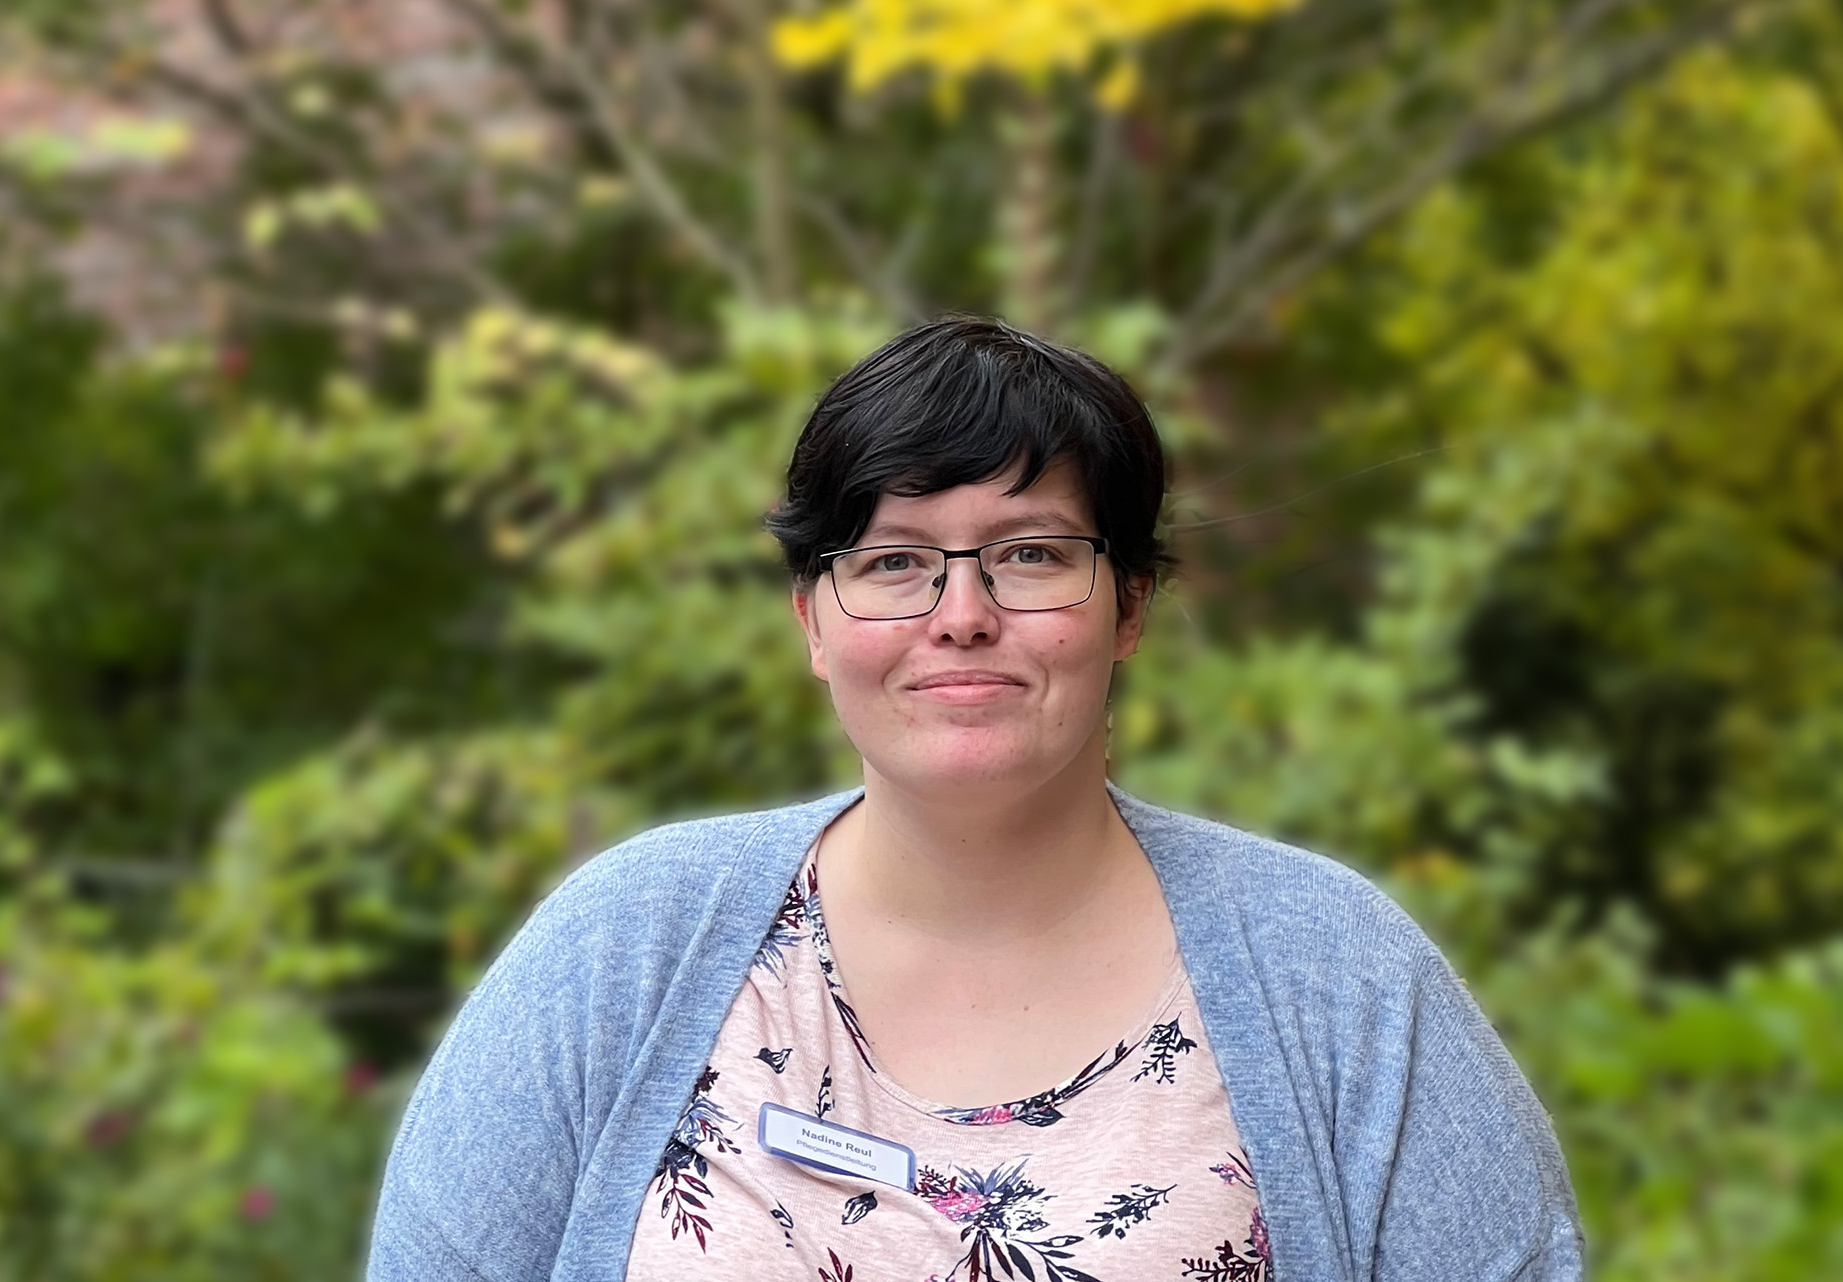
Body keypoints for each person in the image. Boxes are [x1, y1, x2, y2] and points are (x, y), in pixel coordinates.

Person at [367, 317, 1582, 1282]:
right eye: (894, 560)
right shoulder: (625, 948)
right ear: (812, 619)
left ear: (1131, 607)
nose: (961, 614)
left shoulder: (1339, 977)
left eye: (1031, 553)